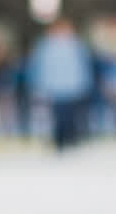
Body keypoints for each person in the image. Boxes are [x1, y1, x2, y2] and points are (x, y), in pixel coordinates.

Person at [26, 17, 91, 152]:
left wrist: (85, 83)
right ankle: (60, 139)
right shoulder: (45, 46)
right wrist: (37, 84)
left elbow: (83, 66)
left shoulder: (76, 45)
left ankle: (71, 138)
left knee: (72, 114)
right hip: (55, 87)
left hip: (73, 86)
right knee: (58, 114)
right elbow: (37, 66)